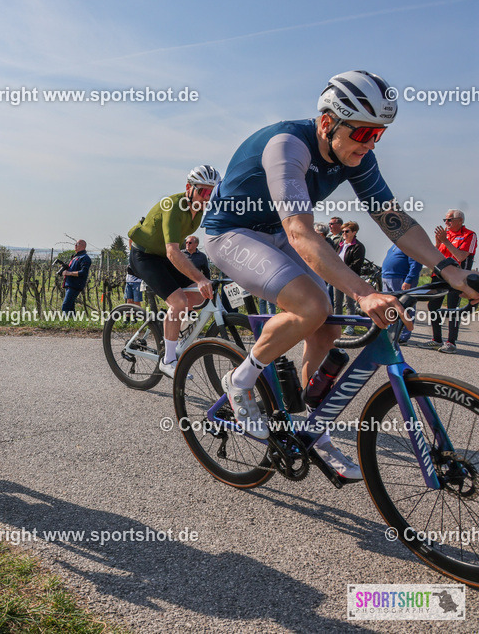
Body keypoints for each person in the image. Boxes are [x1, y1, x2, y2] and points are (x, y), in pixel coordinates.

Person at [202, 70, 479, 481]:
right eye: (363, 133)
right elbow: (300, 231)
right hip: (232, 233)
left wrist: (451, 269)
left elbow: (394, 220)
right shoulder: (287, 146)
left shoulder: (355, 155)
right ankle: (240, 380)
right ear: (329, 122)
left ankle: (313, 426)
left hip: (277, 232)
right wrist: (366, 293)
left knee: (325, 324)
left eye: (378, 135)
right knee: (311, 304)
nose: (369, 145)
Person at [128, 164, 221, 377]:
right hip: (145, 255)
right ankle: (168, 359)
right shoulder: (173, 205)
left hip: (162, 256)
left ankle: (172, 324)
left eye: (212, 192)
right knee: (179, 301)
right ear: (189, 187)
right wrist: (199, 278)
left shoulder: (199, 210)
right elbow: (173, 251)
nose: (207, 197)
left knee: (199, 296)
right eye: (203, 191)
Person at [421, 209, 476, 353]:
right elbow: (433, 255)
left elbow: (461, 257)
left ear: (460, 221)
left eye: (449, 220)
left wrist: (445, 240)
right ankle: (436, 339)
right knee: (433, 307)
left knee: (453, 309)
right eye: (445, 220)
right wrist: (438, 242)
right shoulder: (446, 234)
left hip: (457, 278)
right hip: (438, 276)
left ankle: (451, 343)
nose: (446, 223)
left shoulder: (469, 235)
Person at [380, 243, 421, 344]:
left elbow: (416, 264)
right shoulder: (394, 245)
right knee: (390, 307)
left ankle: (403, 335)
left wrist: (409, 280)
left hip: (401, 279)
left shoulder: (410, 244)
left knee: (405, 307)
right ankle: (391, 332)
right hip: (388, 278)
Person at [333, 221, 366, 332]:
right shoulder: (341, 244)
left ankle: (350, 326)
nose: (344, 233)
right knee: (337, 302)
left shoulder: (358, 246)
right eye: (342, 231)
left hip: (350, 279)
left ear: (354, 232)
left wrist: (343, 271)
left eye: (347, 231)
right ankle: (336, 324)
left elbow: (356, 264)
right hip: (337, 278)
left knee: (349, 303)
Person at [61, 240, 91, 314]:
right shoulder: (75, 257)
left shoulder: (85, 258)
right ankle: (72, 323)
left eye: (77, 244)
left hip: (75, 285)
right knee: (70, 307)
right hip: (69, 284)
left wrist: (69, 273)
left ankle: (66, 323)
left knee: (65, 306)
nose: (75, 245)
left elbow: (83, 272)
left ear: (83, 246)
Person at [124, 239, 143, 305]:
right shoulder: (132, 252)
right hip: (129, 281)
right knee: (129, 301)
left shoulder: (141, 255)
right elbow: (130, 240)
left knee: (136, 302)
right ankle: (128, 315)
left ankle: (137, 315)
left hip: (137, 282)